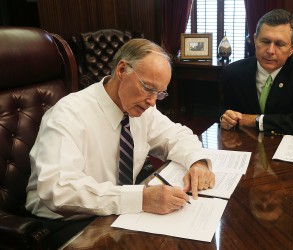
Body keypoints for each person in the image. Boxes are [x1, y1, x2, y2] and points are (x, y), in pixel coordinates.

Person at [26, 38, 215, 247]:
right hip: (65, 222)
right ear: (122, 70)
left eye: (159, 93)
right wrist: (141, 199)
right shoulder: (68, 114)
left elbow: (177, 136)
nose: (153, 102)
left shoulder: (142, 109)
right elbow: (58, 190)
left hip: (117, 211)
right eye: (148, 88)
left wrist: (197, 162)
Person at [219, 9, 293, 137]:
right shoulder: (233, 72)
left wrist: (255, 120)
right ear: (255, 40)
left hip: (287, 149)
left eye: (279, 44)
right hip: (243, 146)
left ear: (292, 48)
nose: (270, 50)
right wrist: (224, 119)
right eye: (265, 41)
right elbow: (218, 111)